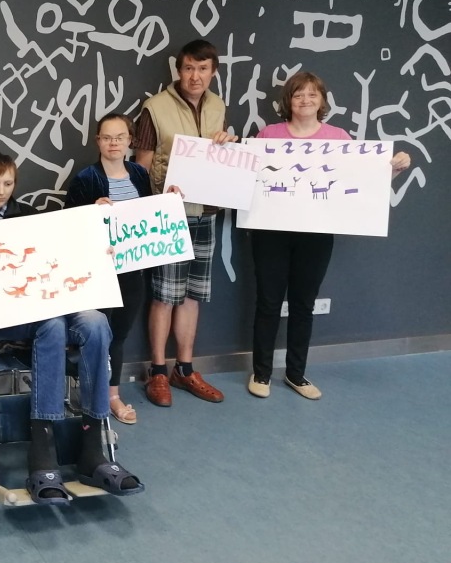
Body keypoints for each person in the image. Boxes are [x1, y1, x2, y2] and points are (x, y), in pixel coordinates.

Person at [0, 152, 143, 504]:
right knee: (52, 326)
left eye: (8, 183)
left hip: (49, 305)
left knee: (96, 323)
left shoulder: (30, 217)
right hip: (3, 316)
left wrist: (99, 250)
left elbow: (64, 255)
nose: (1, 190)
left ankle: (92, 444)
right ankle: (42, 447)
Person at [248, 71, 411, 400]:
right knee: (268, 302)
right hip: (270, 232)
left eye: (312, 94)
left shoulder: (338, 138)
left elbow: (362, 184)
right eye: (298, 94)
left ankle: (295, 374)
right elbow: (248, 179)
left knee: (303, 305)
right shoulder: (268, 134)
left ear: (322, 100)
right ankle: (261, 372)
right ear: (288, 101)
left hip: (316, 234)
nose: (305, 100)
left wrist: (392, 169)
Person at [133, 39, 237, 407]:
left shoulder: (218, 106)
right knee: (165, 295)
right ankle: (158, 372)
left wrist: (229, 143)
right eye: (189, 68)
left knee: (193, 295)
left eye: (203, 69)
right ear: (179, 70)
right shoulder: (155, 107)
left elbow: (223, 158)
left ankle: (185, 368)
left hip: (205, 212)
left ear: (213, 72)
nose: (195, 76)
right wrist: (155, 201)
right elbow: (141, 167)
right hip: (169, 213)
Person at [65, 114, 158, 424]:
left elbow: (149, 215)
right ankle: (90, 396)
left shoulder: (139, 174)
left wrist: (169, 200)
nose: (113, 143)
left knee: (118, 335)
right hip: (98, 272)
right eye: (107, 137)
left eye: (120, 137)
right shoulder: (85, 178)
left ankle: (112, 396)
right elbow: (67, 224)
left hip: (132, 270)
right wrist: (91, 212)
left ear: (130, 140)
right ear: (98, 141)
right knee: (98, 335)